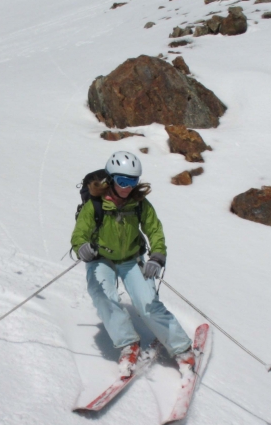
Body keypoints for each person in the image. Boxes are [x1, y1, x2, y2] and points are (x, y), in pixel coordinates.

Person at [71, 151, 195, 372]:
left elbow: (154, 230)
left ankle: (182, 349)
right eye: (122, 180)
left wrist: (157, 256)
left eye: (133, 181)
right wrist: (82, 247)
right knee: (103, 297)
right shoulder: (95, 205)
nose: (127, 187)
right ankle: (129, 344)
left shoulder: (139, 204)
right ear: (110, 179)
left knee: (148, 304)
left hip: (131, 258)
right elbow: (80, 233)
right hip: (102, 259)